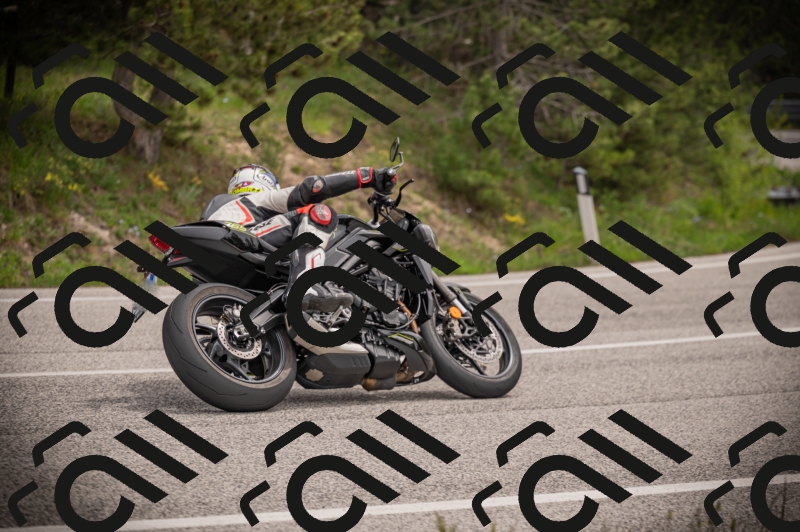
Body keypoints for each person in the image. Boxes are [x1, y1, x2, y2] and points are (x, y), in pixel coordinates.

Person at [204, 164, 397, 311]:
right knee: (319, 212)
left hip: (219, 267)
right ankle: (303, 287)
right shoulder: (258, 200)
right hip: (241, 240)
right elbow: (313, 187)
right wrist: (368, 176)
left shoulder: (222, 208)